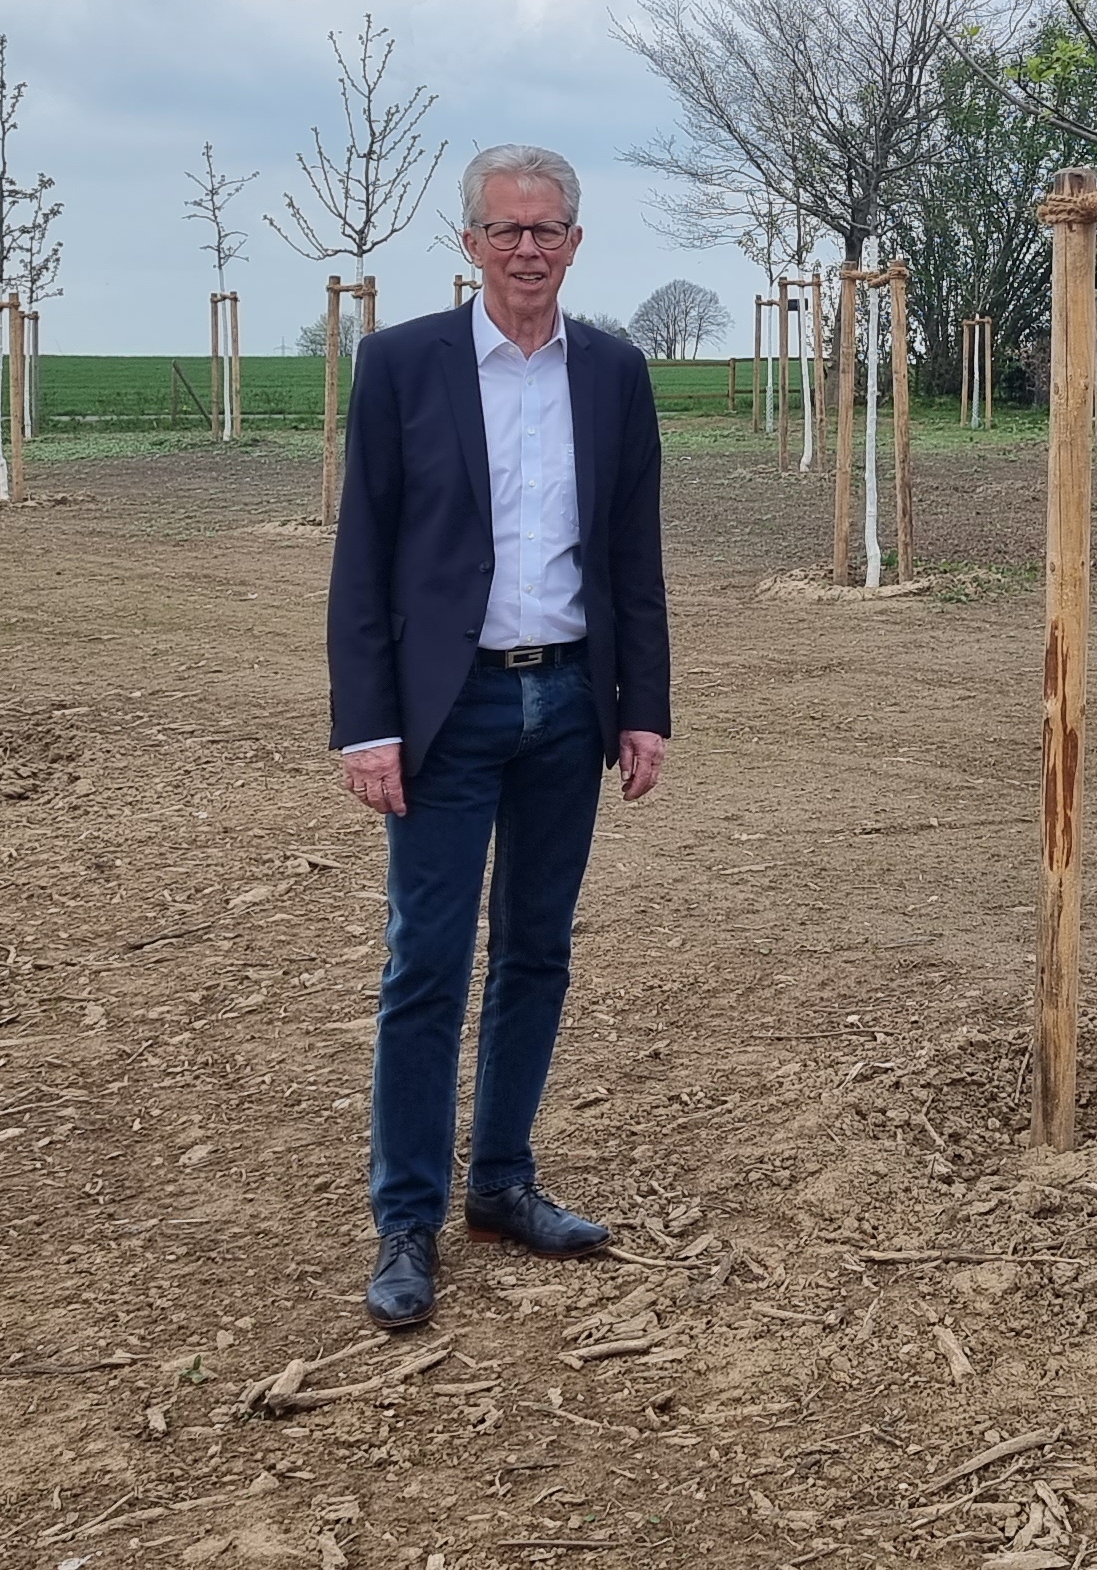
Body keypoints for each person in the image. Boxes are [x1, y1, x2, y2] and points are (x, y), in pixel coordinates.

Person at [327, 143, 672, 1330]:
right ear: (468, 242)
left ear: (576, 242)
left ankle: (503, 1183)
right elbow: (361, 562)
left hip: (564, 705)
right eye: (504, 228)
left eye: (548, 228)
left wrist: (642, 705)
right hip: (445, 714)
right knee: (425, 960)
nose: (527, 247)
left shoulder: (616, 374)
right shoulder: (401, 365)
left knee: (535, 950)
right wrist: (367, 724)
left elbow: (634, 556)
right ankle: (407, 1216)